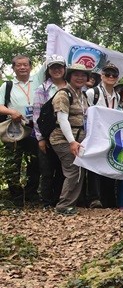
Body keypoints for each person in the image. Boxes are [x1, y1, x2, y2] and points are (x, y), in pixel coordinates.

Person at [0, 54, 42, 204]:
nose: (23, 67)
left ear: (31, 67)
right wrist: (11, 112)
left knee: (35, 162)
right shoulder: (7, 85)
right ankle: (16, 197)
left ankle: (32, 194)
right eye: (19, 65)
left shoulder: (37, 80)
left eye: (25, 64)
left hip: (33, 130)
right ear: (13, 68)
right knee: (14, 163)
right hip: (15, 130)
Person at [51, 63, 90, 215]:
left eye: (83, 75)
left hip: (78, 140)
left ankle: (70, 204)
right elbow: (62, 119)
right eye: (76, 74)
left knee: (78, 170)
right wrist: (72, 141)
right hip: (62, 140)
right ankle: (64, 206)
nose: (80, 77)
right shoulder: (63, 94)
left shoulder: (82, 95)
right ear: (70, 76)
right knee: (74, 170)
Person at [32, 55, 67, 207]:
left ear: (65, 69)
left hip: (67, 135)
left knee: (62, 169)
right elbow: (36, 114)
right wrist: (40, 138)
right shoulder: (43, 89)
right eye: (53, 67)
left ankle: (59, 199)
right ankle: (46, 201)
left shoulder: (71, 87)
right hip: (47, 135)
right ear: (49, 70)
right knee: (47, 170)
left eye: (59, 66)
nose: (57, 70)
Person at [85, 62, 121, 208]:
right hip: (94, 135)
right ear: (102, 75)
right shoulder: (92, 93)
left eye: (114, 75)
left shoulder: (117, 96)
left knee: (109, 164)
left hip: (109, 136)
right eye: (107, 74)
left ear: (117, 78)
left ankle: (108, 199)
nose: (110, 77)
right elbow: (84, 113)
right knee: (93, 166)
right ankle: (94, 198)